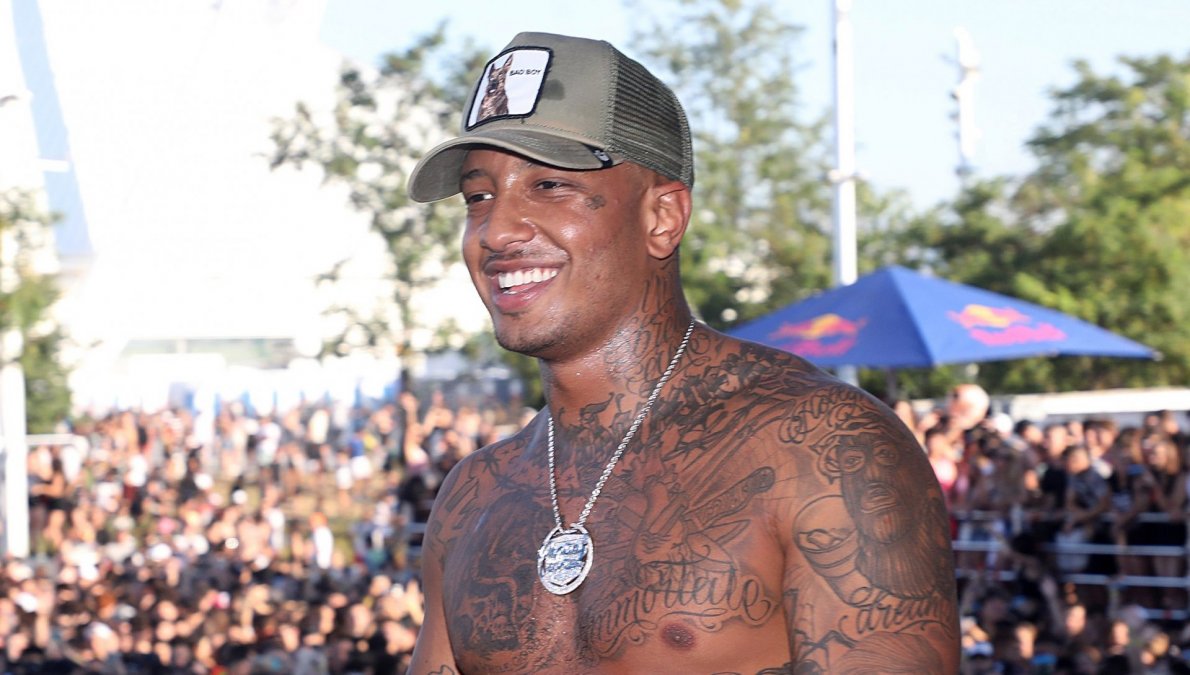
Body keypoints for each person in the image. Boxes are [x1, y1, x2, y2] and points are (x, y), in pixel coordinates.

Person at [404, 32, 959, 673]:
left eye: (550, 185)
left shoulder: (820, 445)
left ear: (662, 217)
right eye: (479, 197)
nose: (496, 230)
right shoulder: (474, 494)